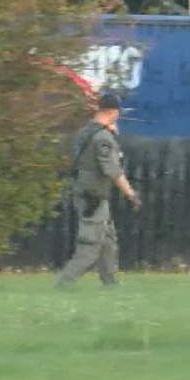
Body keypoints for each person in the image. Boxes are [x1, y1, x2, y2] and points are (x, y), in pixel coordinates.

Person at [56, 93, 141, 287]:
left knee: (108, 240)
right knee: (90, 246)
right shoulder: (103, 138)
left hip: (87, 193)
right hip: (93, 197)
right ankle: (64, 283)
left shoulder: (87, 131)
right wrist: (131, 194)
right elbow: (113, 171)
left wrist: (111, 133)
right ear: (112, 112)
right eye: (118, 112)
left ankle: (110, 283)